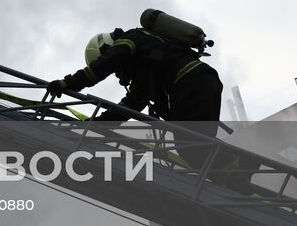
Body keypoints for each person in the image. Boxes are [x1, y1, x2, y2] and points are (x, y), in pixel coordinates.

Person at [46, 23, 232, 176]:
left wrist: (67, 83)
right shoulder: (144, 67)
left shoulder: (131, 39)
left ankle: (235, 168)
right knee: (200, 145)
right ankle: (235, 178)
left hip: (188, 81)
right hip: (204, 80)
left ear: (107, 49)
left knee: (191, 144)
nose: (118, 73)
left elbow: (104, 66)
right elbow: (129, 106)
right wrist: (95, 124)